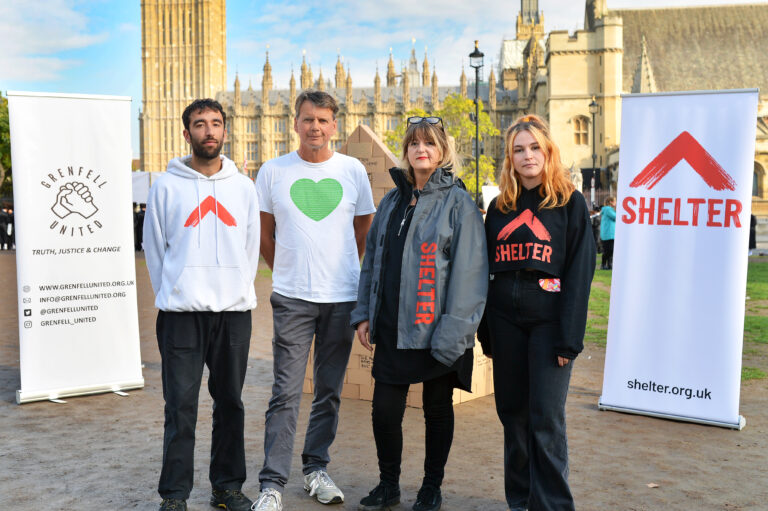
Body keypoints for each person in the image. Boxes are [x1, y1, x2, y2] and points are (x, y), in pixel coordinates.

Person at [351, 116, 488, 511]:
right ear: (406, 151)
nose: (420, 149)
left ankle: (431, 487)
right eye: (413, 143)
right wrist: (364, 313)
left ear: (442, 151)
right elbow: (372, 262)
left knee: (437, 411)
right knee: (384, 412)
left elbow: (471, 275)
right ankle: (388, 484)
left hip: (437, 329)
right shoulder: (392, 200)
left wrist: (454, 334)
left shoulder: (458, 202)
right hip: (394, 327)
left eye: (428, 143)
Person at [253, 90, 375, 511]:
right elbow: (265, 233)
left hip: (341, 297)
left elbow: (363, 230)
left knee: (329, 391)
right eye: (308, 119)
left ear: (335, 125)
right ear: (296, 123)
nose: (316, 127)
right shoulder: (273, 171)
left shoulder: (353, 170)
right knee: (285, 392)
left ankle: (315, 468)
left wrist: (340, 267)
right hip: (292, 299)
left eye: (323, 120)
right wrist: (287, 269)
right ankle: (272, 484)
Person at [143, 98, 260, 511]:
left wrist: (233, 287)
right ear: (186, 132)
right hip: (181, 316)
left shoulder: (244, 187)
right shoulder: (166, 186)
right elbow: (154, 248)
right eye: (199, 124)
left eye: (215, 124)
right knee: (181, 407)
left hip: (232, 313)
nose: (208, 131)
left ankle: (226, 487)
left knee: (230, 403)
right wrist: (177, 291)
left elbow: (249, 248)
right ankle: (174, 495)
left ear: (225, 130)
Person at [481, 114, 595, 511]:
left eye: (535, 148)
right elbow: (484, 272)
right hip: (505, 321)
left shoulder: (569, 203)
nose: (527, 156)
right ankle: (521, 501)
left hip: (550, 323)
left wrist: (569, 338)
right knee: (513, 414)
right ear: (509, 158)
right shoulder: (499, 208)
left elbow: (580, 272)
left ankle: (553, 506)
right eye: (518, 150)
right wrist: (487, 333)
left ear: (548, 153)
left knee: (545, 418)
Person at [600, 196, 616, 270]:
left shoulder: (608, 209)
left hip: (609, 234)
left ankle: (609, 264)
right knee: (608, 250)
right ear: (610, 202)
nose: (615, 203)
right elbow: (615, 216)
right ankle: (603, 264)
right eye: (614, 201)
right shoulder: (608, 209)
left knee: (610, 250)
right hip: (609, 234)